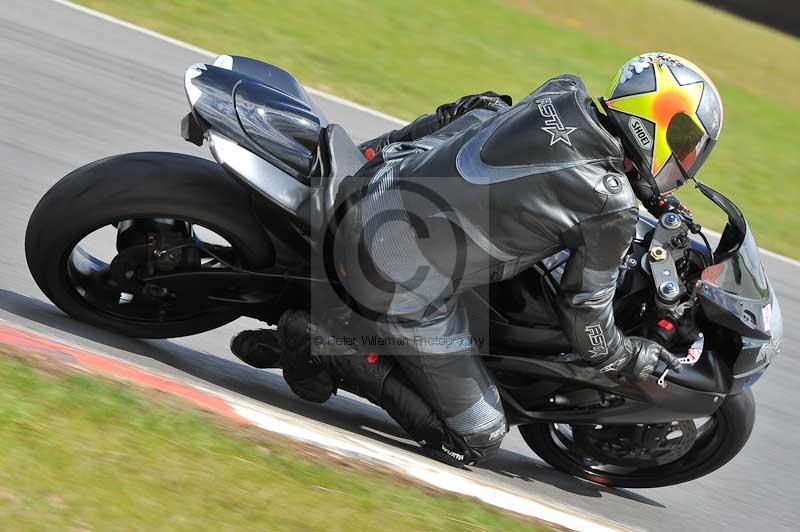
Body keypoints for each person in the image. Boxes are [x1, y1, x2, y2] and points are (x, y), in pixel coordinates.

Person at [232, 52, 723, 466]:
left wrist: (655, 201)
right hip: (393, 271)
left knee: (483, 109)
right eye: (683, 141)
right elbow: (586, 316)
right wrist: (630, 356)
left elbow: (507, 132)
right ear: (651, 122)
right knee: (480, 436)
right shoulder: (608, 204)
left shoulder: (563, 92)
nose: (684, 159)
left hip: (376, 189)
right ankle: (318, 345)